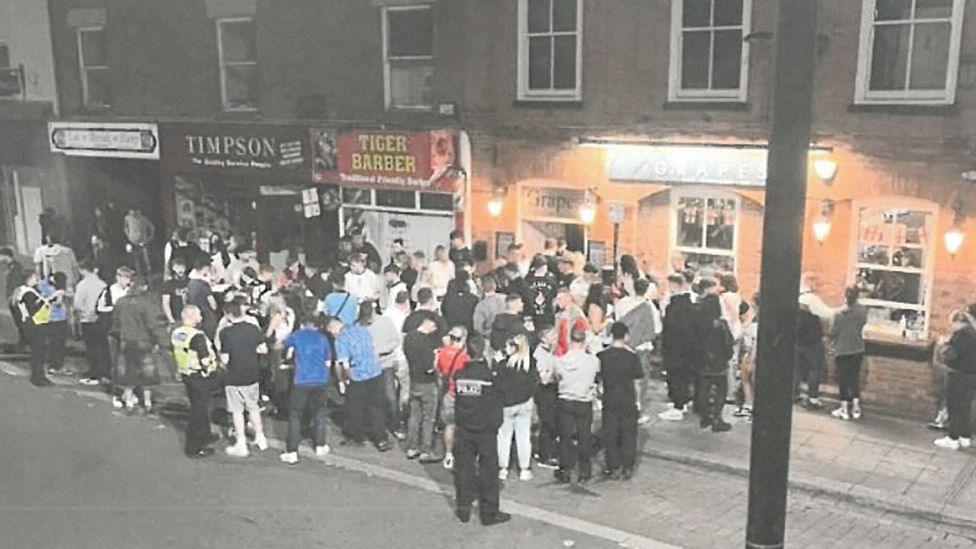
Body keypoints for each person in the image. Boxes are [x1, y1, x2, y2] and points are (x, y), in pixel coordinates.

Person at [452, 335, 510, 526]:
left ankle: (463, 508)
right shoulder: (488, 377)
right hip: (485, 430)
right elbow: (498, 400)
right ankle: (489, 512)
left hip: (464, 428)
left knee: (464, 469)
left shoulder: (459, 376)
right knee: (488, 471)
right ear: (483, 352)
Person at [279, 302, 333, 464]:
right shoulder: (323, 338)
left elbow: (284, 344)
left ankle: (292, 451)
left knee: (295, 414)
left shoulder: (297, 335)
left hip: (302, 379)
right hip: (321, 379)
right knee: (320, 412)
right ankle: (321, 444)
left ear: (303, 324)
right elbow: (328, 361)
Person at [336, 309, 392, 451]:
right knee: (376, 407)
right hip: (375, 372)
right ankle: (381, 439)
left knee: (355, 408)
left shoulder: (341, 338)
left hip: (358, 376)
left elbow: (345, 363)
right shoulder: (363, 331)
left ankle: (357, 437)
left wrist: (345, 379)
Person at [219, 300, 270, 457]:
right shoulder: (253, 328)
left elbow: (225, 359)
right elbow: (263, 349)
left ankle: (241, 443)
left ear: (228, 315)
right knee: (253, 406)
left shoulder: (226, 333)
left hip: (234, 375)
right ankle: (260, 437)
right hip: (252, 373)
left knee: (237, 410)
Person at [113, 276, 168, 413]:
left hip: (126, 341)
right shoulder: (148, 304)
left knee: (128, 372)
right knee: (147, 373)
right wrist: (162, 343)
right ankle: (147, 401)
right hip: (144, 342)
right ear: (144, 287)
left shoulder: (120, 303)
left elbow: (115, 324)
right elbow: (153, 325)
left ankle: (129, 400)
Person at [553, 327, 599, 484]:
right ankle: (584, 472)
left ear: (570, 340)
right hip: (584, 400)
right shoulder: (593, 361)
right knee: (584, 437)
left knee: (565, 437)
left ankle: (565, 469)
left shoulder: (561, 360)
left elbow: (557, 377)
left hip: (566, 400)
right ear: (584, 341)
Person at [598, 322, 644, 480]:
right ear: (626, 336)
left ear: (611, 336)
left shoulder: (603, 356)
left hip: (610, 398)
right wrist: (638, 401)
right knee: (628, 434)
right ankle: (627, 466)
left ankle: (613, 465)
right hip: (627, 398)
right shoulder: (632, 357)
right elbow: (637, 383)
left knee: (610, 433)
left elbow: (599, 381)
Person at [172, 305, 219, 458]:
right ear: (191, 316)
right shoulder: (197, 336)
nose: (201, 317)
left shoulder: (177, 333)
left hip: (186, 373)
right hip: (199, 375)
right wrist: (214, 359)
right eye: (199, 315)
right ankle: (194, 446)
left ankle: (205, 435)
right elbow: (205, 360)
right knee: (198, 411)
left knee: (198, 406)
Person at [495, 332, 539, 481]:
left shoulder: (504, 365)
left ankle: (503, 468)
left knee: (504, 437)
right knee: (523, 436)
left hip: (507, 405)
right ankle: (524, 469)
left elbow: (498, 385)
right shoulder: (530, 363)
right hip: (525, 403)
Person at [361, 301, 405, 439]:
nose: (368, 320)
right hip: (369, 365)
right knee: (370, 398)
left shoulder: (386, 322)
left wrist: (382, 351)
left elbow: (396, 341)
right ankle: (373, 426)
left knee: (390, 396)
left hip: (385, 364)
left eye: (369, 316)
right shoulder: (360, 326)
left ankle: (396, 424)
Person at [697, 280, 735, 433]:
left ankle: (705, 416)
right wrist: (727, 356)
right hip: (718, 362)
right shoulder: (721, 324)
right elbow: (729, 342)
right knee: (721, 389)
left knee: (704, 389)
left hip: (703, 361)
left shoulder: (699, 322)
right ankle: (717, 419)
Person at [935, 311, 976, 450]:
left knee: (954, 406)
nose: (951, 327)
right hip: (972, 375)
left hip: (958, 374)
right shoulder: (973, 333)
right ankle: (965, 437)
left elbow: (952, 355)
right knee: (965, 406)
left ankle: (952, 438)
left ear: (958, 322)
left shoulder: (961, 335)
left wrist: (943, 345)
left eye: (952, 323)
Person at [403, 317, 441, 462]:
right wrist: (436, 357)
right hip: (427, 383)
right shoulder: (425, 341)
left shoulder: (409, 338)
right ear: (429, 325)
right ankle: (426, 450)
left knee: (414, 415)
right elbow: (430, 368)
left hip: (414, 380)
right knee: (428, 418)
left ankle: (412, 447)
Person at [659, 273, 696, 421]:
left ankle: (678, 407)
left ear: (675, 286)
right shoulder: (690, 304)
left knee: (675, 377)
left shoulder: (674, 306)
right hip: (687, 348)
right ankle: (683, 402)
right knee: (683, 377)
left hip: (674, 348)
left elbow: (669, 329)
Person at [830, 287, 868, 421]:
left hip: (842, 350)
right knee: (854, 378)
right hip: (858, 349)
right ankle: (856, 408)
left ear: (845, 296)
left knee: (843, 380)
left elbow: (833, 332)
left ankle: (844, 409)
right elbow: (863, 324)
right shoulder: (862, 311)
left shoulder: (838, 314)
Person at [795, 273, 834, 410]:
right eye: (817, 283)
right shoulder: (811, 299)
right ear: (810, 282)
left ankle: (794, 394)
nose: (819, 286)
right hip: (812, 341)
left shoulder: (797, 297)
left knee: (798, 368)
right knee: (815, 369)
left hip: (798, 340)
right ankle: (812, 399)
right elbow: (827, 313)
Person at [437, 325, 471, 470]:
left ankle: (449, 455)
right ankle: (464, 455)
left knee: (449, 425)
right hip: (462, 394)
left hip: (449, 393)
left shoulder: (442, 352)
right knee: (465, 426)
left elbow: (439, 371)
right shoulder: (465, 357)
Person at [15, 271, 53, 386]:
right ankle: (38, 377)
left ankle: (37, 375)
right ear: (28, 279)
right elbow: (34, 309)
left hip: (29, 324)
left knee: (37, 351)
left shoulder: (21, 291)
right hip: (35, 324)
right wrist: (46, 301)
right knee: (38, 351)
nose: (37, 280)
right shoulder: (28, 293)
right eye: (35, 278)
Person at [74, 260, 109, 385]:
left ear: (82, 270)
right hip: (102, 319)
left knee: (91, 347)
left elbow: (77, 305)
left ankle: (95, 372)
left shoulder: (82, 285)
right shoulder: (102, 284)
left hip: (87, 319)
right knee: (103, 346)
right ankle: (106, 371)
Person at [532, 327, 560, 469]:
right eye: (552, 335)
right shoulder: (540, 355)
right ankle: (545, 456)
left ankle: (544, 451)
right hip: (545, 391)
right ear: (543, 338)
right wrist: (555, 373)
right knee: (548, 422)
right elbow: (544, 379)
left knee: (550, 422)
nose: (555, 338)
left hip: (549, 390)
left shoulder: (548, 353)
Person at [38, 272, 69, 375]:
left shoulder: (44, 287)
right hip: (59, 319)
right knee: (59, 343)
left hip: (50, 318)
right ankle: (56, 365)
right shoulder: (58, 291)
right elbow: (59, 302)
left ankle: (54, 364)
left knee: (53, 343)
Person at [186, 259, 220, 339]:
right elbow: (213, 304)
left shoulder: (190, 284)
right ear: (204, 268)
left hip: (194, 314)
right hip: (207, 316)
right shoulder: (204, 284)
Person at [525, 254, 558, 325]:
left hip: (548, 313)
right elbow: (525, 296)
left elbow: (555, 294)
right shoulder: (528, 279)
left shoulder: (551, 279)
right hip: (531, 313)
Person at [473, 275, 506, 342]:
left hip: (491, 338)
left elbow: (477, 327)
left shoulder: (481, 305)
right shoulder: (506, 298)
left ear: (481, 287)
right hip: (508, 335)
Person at [124, 208, 155, 275]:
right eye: (131, 211)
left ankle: (148, 269)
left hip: (143, 240)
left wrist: (150, 237)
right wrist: (128, 235)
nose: (132, 213)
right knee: (135, 256)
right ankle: (138, 270)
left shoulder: (143, 219)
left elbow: (151, 227)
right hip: (133, 241)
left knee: (145, 255)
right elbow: (126, 227)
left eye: (134, 211)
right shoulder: (127, 218)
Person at [162, 257, 190, 326]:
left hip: (190, 316)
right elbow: (166, 303)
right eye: (177, 268)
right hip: (177, 318)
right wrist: (171, 320)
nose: (180, 270)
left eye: (182, 268)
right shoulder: (169, 284)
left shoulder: (190, 282)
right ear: (173, 269)